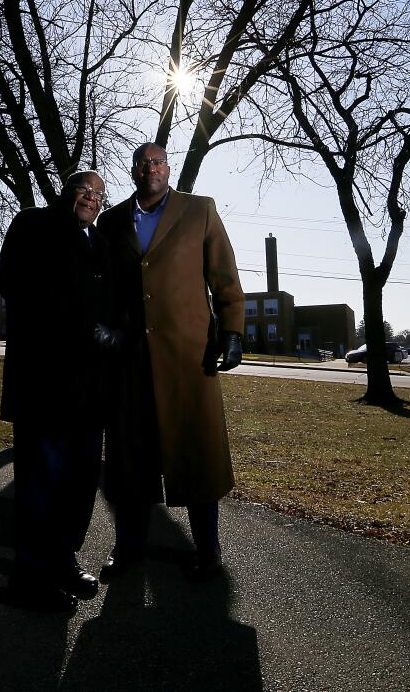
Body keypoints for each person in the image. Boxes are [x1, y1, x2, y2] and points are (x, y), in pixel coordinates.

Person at [96, 142, 245, 581]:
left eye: (157, 162)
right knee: (129, 463)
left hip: (189, 359)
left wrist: (232, 333)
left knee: (198, 457)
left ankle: (209, 552)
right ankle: (127, 549)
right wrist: (104, 330)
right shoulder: (111, 220)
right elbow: (103, 285)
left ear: (168, 167)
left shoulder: (199, 210)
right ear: (133, 171)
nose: (151, 170)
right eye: (143, 164)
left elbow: (225, 277)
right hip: (131, 362)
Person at [0, 170, 112, 611]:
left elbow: (110, 308)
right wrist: (83, 327)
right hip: (43, 382)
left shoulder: (99, 244)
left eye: (99, 194)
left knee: (80, 482)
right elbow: (16, 285)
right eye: (84, 189)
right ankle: (28, 577)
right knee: (40, 481)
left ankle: (63, 559)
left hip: (88, 389)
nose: (91, 198)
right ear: (65, 193)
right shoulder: (33, 224)